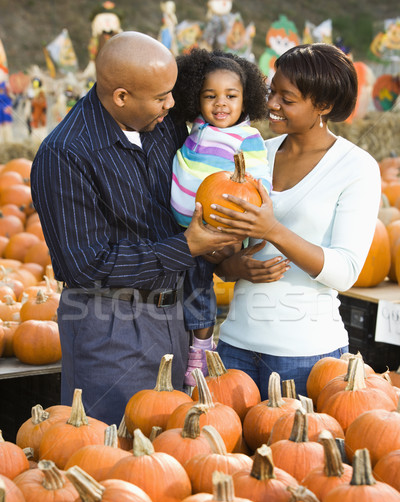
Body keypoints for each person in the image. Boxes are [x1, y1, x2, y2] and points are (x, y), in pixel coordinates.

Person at [30, 31, 245, 425]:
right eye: (162, 96)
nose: (173, 103)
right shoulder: (65, 155)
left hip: (174, 314)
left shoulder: (162, 123)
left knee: (170, 444)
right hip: (109, 324)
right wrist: (187, 246)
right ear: (121, 97)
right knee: (113, 448)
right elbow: (85, 265)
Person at [209, 43, 381, 399]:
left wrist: (273, 230)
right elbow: (223, 253)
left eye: (287, 99)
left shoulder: (356, 167)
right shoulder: (255, 154)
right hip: (234, 346)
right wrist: (232, 265)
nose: (271, 104)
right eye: (273, 91)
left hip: (306, 356)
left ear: (324, 106)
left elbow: (346, 270)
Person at [170, 48, 286, 386]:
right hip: (180, 230)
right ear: (196, 99)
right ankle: (185, 342)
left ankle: (201, 348)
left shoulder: (247, 137)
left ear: (246, 100)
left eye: (230, 96)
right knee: (179, 291)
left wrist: (241, 230)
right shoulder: (198, 127)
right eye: (210, 96)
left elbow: (259, 178)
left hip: (217, 230)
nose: (220, 103)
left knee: (199, 288)